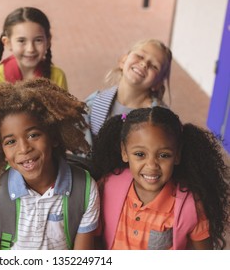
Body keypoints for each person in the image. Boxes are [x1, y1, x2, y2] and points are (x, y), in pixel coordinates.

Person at [0, 78, 99, 250]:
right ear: (1, 151)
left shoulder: (84, 189)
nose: (24, 148)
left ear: (53, 136)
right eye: (10, 142)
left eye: (33, 135)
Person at [92, 107, 230, 250]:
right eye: (140, 154)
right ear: (124, 152)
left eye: (164, 155)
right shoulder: (107, 186)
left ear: (177, 154)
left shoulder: (189, 206)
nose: (152, 165)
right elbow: (94, 240)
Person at [85, 39, 172, 146]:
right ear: (123, 60)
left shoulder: (160, 119)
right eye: (140, 56)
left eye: (154, 66)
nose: (144, 64)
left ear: (158, 83)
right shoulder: (94, 103)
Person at [0, 7, 68, 90]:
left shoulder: (57, 76)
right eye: (21, 41)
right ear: (7, 43)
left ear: (48, 41)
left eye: (38, 40)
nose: (30, 49)